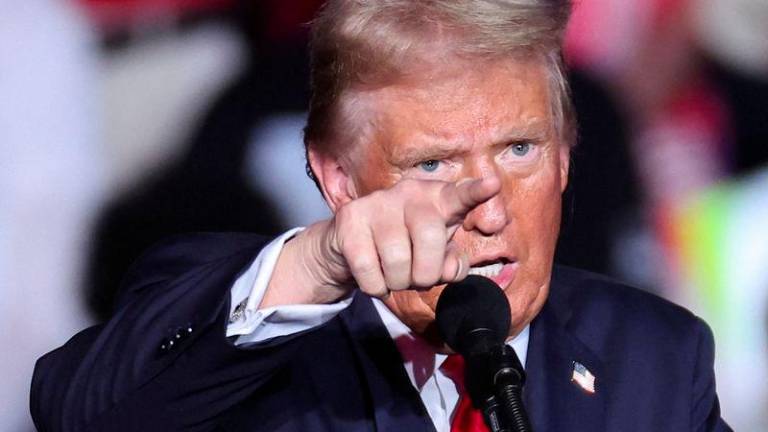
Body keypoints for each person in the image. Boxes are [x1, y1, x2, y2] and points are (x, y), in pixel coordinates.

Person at [31, 1, 731, 431]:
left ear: (568, 156)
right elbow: (79, 414)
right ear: (337, 179)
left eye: (520, 149)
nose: (488, 213)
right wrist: (316, 261)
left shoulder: (657, 357)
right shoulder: (251, 352)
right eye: (432, 165)